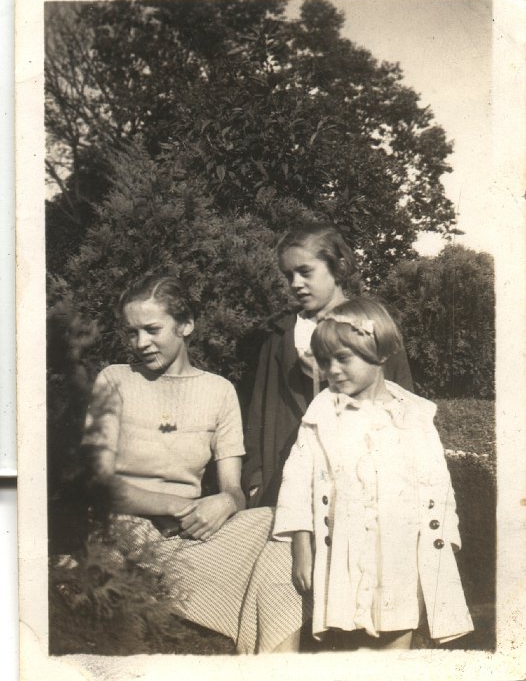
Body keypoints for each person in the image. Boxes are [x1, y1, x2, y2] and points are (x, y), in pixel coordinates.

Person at [81, 273, 305, 653]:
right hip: (125, 531)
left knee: (278, 525)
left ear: (186, 325)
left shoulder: (219, 390)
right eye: (132, 333)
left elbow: (233, 488)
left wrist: (227, 502)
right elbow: (98, 482)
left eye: (152, 329)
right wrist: (178, 506)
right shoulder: (115, 380)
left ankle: (278, 665)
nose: (140, 343)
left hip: (190, 534)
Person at [273, 297, 474, 649]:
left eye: (343, 358)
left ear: (379, 355)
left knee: (397, 635)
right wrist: (301, 547)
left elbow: (439, 489)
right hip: (346, 547)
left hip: (400, 549)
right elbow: (296, 480)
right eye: (325, 360)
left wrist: (437, 558)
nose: (332, 370)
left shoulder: (413, 415)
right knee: (349, 639)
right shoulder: (323, 412)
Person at [242, 222, 414, 507]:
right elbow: (257, 413)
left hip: (358, 489)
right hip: (283, 488)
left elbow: (402, 405)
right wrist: (255, 480)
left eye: (305, 272)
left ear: (339, 267)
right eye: (289, 275)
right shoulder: (280, 335)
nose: (295, 283)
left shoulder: (371, 326)